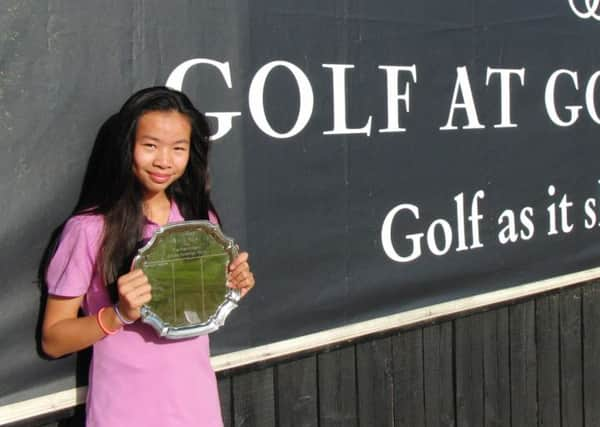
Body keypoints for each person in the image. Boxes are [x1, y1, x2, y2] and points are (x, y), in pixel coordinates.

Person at [40, 86, 255, 427]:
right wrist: (118, 315)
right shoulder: (89, 229)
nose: (164, 161)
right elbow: (53, 340)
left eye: (178, 148)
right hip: (124, 412)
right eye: (150, 145)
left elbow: (199, 309)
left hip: (196, 406)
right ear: (128, 147)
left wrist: (231, 286)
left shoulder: (201, 221)